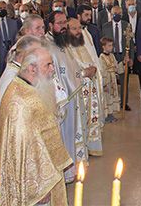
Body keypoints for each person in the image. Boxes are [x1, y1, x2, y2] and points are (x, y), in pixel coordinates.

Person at [0, 47, 72, 206]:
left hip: (47, 173)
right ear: (32, 69)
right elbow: (21, 149)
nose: (52, 69)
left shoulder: (29, 88)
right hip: (37, 185)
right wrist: (38, 189)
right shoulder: (21, 102)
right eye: (48, 65)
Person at [45, 11, 83, 183]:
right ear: (50, 25)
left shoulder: (62, 41)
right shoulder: (47, 46)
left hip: (71, 96)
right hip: (59, 101)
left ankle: (70, 170)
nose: (63, 27)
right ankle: (63, 173)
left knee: (70, 134)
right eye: (59, 23)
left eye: (64, 23)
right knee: (62, 137)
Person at [65, 18, 104, 157]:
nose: (78, 31)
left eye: (79, 28)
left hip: (89, 90)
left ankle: (90, 145)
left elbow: (90, 61)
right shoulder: (64, 48)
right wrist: (84, 73)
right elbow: (66, 72)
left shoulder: (80, 44)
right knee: (79, 124)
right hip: (77, 92)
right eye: (74, 29)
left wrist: (93, 69)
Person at [101, 6, 134, 111]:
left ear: (122, 14)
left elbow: (130, 42)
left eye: (119, 13)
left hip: (123, 55)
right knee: (110, 80)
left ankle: (124, 102)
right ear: (111, 14)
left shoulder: (127, 25)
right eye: (115, 13)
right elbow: (103, 42)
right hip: (110, 55)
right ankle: (110, 103)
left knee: (124, 80)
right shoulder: (105, 26)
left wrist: (131, 57)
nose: (117, 15)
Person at [0, 35, 42, 111]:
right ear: (23, 54)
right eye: (36, 54)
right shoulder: (12, 78)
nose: (39, 58)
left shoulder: (20, 71)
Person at [0, 0, 18, 79]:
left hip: (10, 55)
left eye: (4, 8)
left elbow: (15, 38)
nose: (3, 10)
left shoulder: (13, 22)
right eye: (0, 8)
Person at [99, 37, 121, 120]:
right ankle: (107, 115)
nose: (111, 47)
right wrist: (104, 84)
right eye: (109, 45)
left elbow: (116, 67)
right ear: (103, 47)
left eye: (112, 45)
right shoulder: (101, 57)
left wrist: (123, 63)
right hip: (107, 82)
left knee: (112, 97)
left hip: (113, 81)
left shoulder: (112, 56)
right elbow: (102, 72)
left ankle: (111, 114)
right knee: (107, 98)